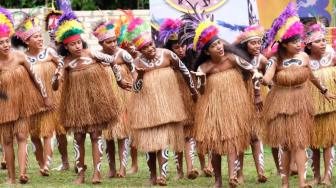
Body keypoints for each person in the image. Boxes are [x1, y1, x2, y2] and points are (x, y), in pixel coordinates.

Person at [181, 4, 263, 187]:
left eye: (219, 43)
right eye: (214, 45)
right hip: (213, 109)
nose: (219, 47)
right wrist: (200, 80)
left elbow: (254, 72)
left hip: (234, 105)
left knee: (233, 139)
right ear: (206, 51)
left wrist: (257, 95)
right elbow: (201, 91)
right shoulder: (203, 68)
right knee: (215, 145)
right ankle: (218, 180)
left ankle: (232, 176)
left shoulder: (233, 59)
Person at [52, 11, 131, 184]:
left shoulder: (92, 54)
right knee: (79, 137)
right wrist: (56, 80)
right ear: (66, 47)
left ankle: (96, 173)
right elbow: (55, 84)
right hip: (76, 103)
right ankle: (80, 174)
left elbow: (111, 60)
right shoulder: (63, 62)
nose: (78, 46)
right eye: (73, 45)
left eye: (79, 42)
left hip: (95, 101)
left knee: (96, 135)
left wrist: (119, 81)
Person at [261, 3, 335, 188]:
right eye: (294, 42)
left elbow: (310, 75)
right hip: (282, 105)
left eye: (299, 41)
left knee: (301, 143)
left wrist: (324, 89)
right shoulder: (275, 59)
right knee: (285, 145)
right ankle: (285, 181)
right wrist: (263, 78)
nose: (298, 44)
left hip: (302, 103)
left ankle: (302, 181)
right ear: (284, 44)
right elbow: (267, 77)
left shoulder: (304, 57)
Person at [125, 17, 198, 186]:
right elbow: (135, 89)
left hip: (166, 104)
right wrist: (141, 76)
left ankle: (162, 175)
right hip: (146, 106)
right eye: (145, 47)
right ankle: (152, 176)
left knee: (163, 140)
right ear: (139, 50)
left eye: (150, 44)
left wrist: (193, 90)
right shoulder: (136, 64)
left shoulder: (167, 54)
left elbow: (184, 70)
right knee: (150, 144)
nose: (150, 49)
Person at [0, 7, 53, 184]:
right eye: (0, 43)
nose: (5, 45)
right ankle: (11, 177)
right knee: (7, 140)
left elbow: (36, 78)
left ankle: (23, 173)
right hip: (4, 106)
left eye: (6, 41)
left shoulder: (20, 57)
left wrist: (44, 96)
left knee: (22, 137)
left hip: (22, 103)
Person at [93, 16, 135, 178]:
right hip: (106, 97)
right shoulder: (97, 56)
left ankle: (123, 167)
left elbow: (134, 71)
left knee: (122, 132)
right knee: (108, 134)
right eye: (108, 42)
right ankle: (111, 168)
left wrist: (136, 87)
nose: (112, 44)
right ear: (101, 44)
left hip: (124, 95)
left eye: (114, 41)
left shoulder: (123, 54)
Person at [234, 25, 268, 183]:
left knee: (255, 135)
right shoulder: (237, 59)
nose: (257, 46)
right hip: (240, 99)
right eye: (252, 43)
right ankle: (239, 175)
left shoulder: (262, 60)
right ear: (244, 45)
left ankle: (261, 172)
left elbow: (269, 77)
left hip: (257, 101)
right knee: (240, 136)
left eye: (259, 42)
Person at [304, 23, 336, 186]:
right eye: (319, 41)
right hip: (310, 108)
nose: (323, 43)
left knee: (329, 142)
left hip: (330, 106)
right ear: (309, 46)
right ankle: (316, 176)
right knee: (313, 143)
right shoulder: (304, 60)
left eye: (324, 40)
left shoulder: (332, 54)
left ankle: (327, 177)